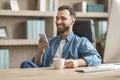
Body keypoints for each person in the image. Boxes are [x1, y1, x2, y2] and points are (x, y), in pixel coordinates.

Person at [20, 5, 102, 68]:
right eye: (57, 18)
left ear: (72, 21)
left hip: (66, 76)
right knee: (26, 64)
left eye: (63, 18)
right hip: (46, 75)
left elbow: (97, 58)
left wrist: (77, 62)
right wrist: (40, 51)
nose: (58, 22)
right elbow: (36, 65)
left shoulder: (81, 42)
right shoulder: (50, 41)